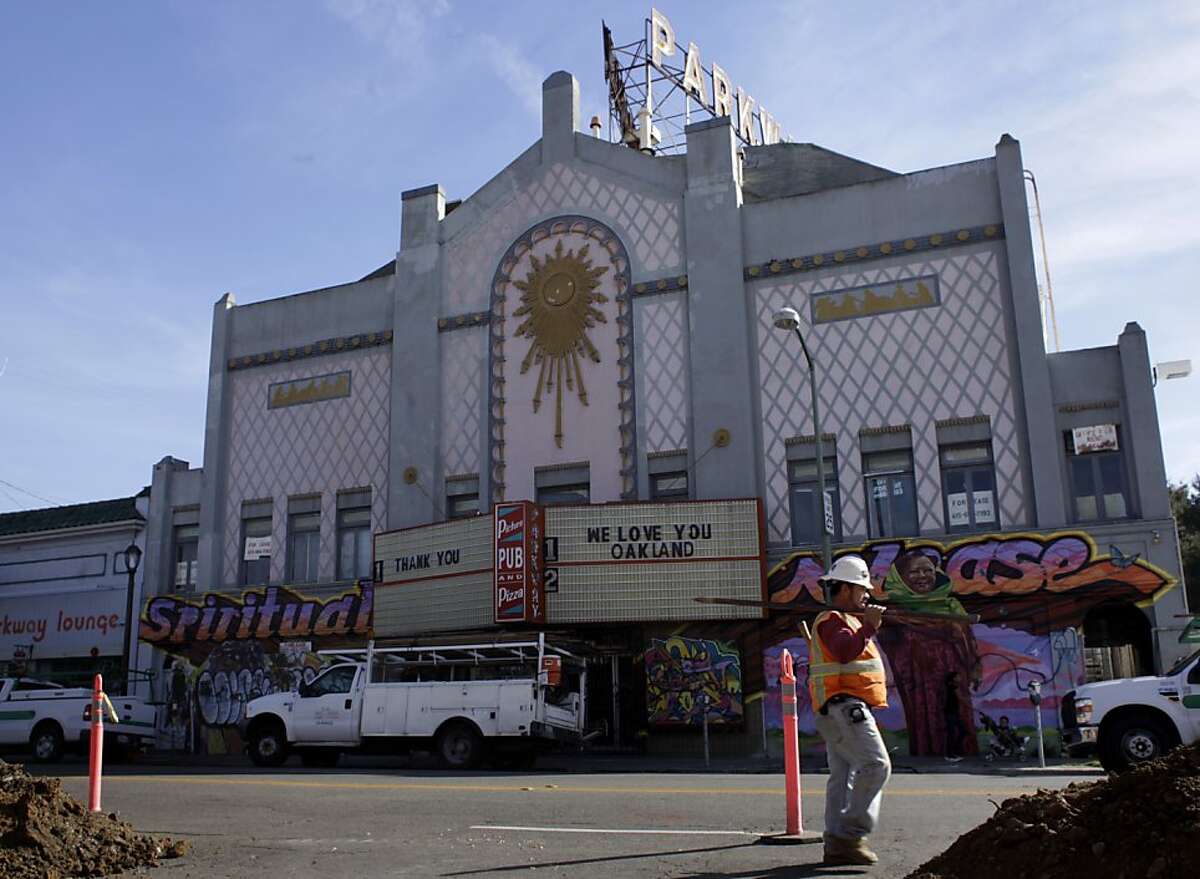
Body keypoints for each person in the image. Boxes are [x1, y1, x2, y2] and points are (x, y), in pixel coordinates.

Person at [807, 554, 892, 867]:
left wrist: (866, 625)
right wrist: (869, 627)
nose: (867, 595)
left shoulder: (847, 621)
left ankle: (836, 842)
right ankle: (850, 835)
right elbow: (844, 652)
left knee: (842, 777)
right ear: (844, 589)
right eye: (862, 589)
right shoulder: (832, 620)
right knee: (876, 766)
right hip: (844, 709)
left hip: (836, 710)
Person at [876, 550, 981, 756]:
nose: (923, 576)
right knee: (927, 718)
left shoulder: (951, 606)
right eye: (915, 572)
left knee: (958, 720)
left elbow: (969, 642)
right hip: (919, 684)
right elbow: (890, 645)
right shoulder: (893, 612)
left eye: (928, 570)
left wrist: (974, 668)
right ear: (900, 578)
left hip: (954, 681)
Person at [943, 672, 964, 762]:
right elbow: (960, 698)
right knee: (952, 733)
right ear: (954, 678)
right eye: (958, 676)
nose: (960, 677)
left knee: (961, 731)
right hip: (950, 713)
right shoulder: (953, 687)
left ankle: (953, 752)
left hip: (954, 713)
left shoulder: (951, 686)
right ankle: (949, 755)